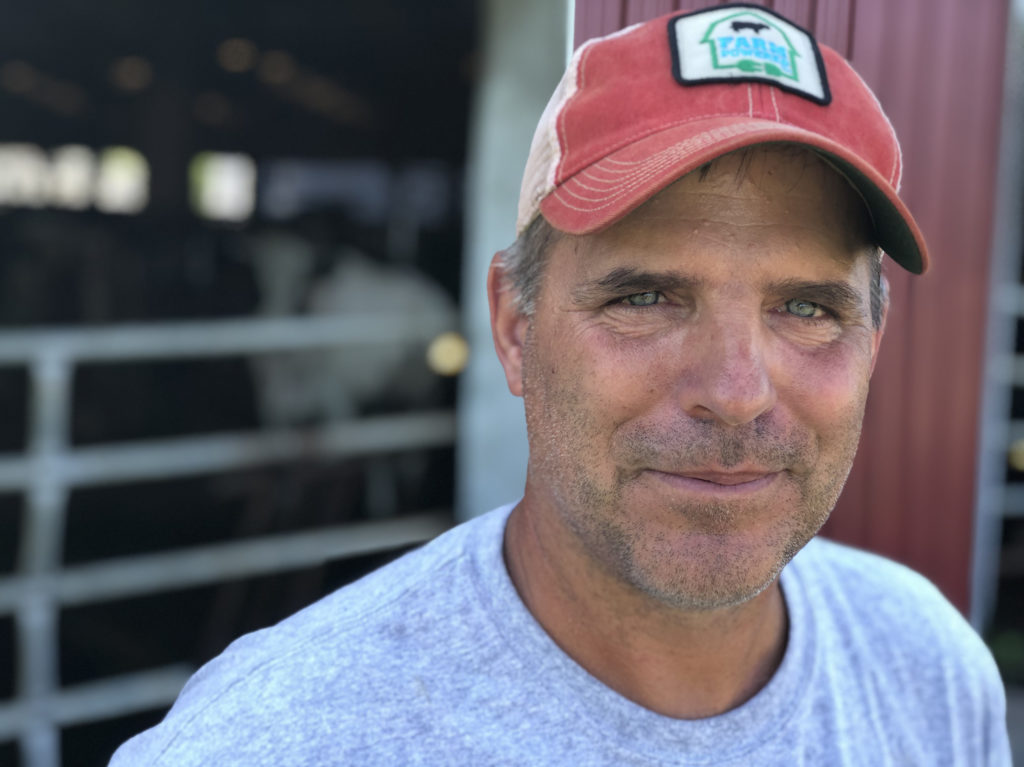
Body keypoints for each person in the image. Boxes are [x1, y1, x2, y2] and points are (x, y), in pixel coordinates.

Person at [110, 5, 1012, 765]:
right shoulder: (275, 740)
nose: (736, 391)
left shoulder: (927, 668)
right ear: (515, 327)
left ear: (874, 345)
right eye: (647, 296)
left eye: (809, 309)